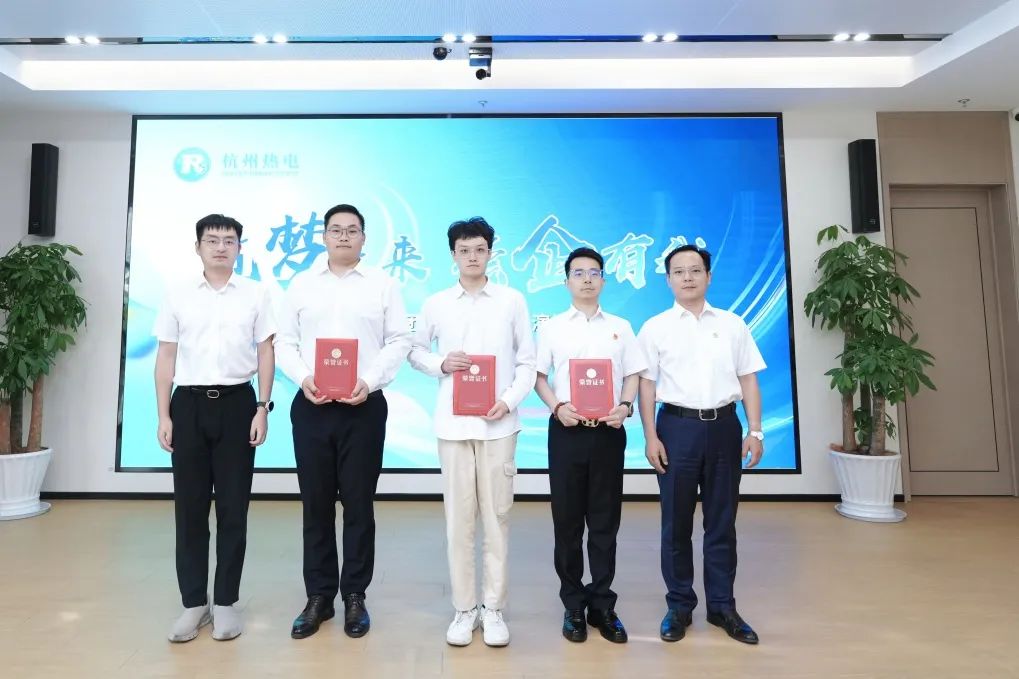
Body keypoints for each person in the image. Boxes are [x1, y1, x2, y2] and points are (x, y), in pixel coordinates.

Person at [275, 204, 411, 640]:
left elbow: (399, 340)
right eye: (336, 230)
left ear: (364, 238)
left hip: (363, 407)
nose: (344, 236)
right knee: (315, 505)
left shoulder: (383, 285)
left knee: (358, 505)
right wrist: (304, 378)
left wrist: (368, 380)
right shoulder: (301, 284)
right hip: (312, 405)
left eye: (353, 230)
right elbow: (285, 341)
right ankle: (318, 597)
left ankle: (355, 595)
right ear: (324, 237)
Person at [408, 217, 536, 647]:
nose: (472, 257)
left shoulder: (512, 301)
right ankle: (465, 609)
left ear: (491, 253)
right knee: (459, 521)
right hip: (453, 426)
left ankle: (493, 608)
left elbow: (527, 361)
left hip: (499, 425)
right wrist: (441, 363)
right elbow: (415, 351)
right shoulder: (437, 303)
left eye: (480, 249)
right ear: (453, 255)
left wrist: (509, 400)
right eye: (464, 250)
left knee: (497, 518)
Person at [153, 213, 276, 643]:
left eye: (229, 240)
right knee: (189, 509)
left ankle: (224, 601)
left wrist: (262, 407)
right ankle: (193, 603)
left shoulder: (256, 293)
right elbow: (166, 356)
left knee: (233, 508)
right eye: (212, 240)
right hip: (187, 405)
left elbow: (265, 352)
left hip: (238, 404)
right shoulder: (178, 294)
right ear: (198, 247)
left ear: (239, 247)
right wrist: (163, 415)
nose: (221, 246)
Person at [637, 244, 766, 645]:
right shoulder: (655, 327)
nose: (688, 277)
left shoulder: (732, 324)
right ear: (668, 280)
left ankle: (723, 606)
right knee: (675, 523)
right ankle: (679, 605)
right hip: (676, 428)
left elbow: (748, 378)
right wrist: (650, 436)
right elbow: (646, 386)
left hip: (725, 427)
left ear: (709, 276)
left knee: (722, 522)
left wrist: (756, 430)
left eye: (695, 270)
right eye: (679, 271)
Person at [533, 247, 647, 644]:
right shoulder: (551, 328)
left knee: (604, 522)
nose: (586, 279)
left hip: (608, 434)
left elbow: (633, 374)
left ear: (603, 280)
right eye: (578, 272)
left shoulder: (621, 327)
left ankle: (602, 604)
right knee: (567, 523)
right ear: (566, 281)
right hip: (566, 431)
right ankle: (572, 605)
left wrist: (626, 406)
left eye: (594, 272)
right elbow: (538, 377)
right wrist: (557, 407)